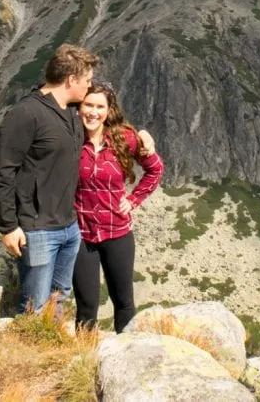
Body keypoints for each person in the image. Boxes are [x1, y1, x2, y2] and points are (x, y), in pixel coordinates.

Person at [0, 43, 98, 314]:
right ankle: (26, 351)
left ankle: (49, 349)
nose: (90, 86)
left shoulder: (72, 111)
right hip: (37, 229)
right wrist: (8, 226)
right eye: (87, 81)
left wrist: (140, 137)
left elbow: (107, 123)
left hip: (69, 226)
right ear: (71, 80)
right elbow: (3, 170)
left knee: (58, 298)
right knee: (34, 305)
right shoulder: (26, 114)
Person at [73, 81, 164, 333]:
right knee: (86, 303)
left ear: (109, 110)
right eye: (88, 105)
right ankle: (84, 359)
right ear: (79, 107)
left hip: (118, 233)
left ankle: (126, 355)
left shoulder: (125, 138)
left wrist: (133, 200)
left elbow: (155, 169)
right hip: (81, 235)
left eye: (99, 106)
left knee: (123, 302)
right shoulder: (70, 136)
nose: (93, 112)